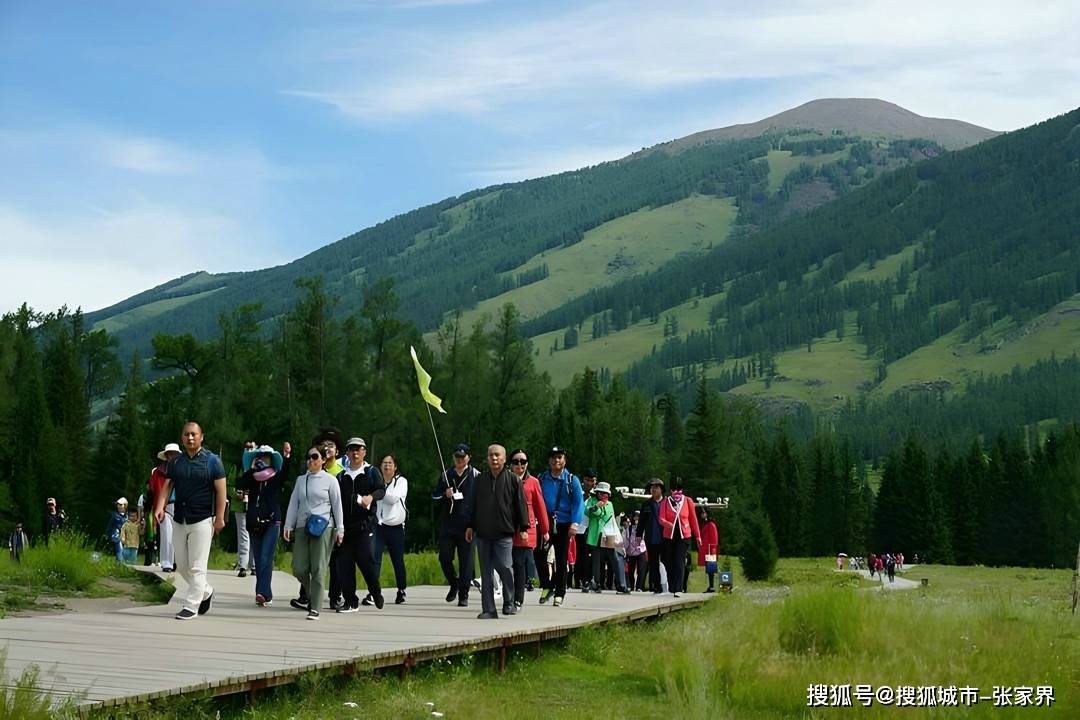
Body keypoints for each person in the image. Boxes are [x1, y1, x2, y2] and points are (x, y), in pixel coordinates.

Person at [153, 421, 228, 621]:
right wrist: (160, 507)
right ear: (182, 437)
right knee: (183, 567)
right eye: (187, 434)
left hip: (203, 519)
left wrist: (219, 517)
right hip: (179, 518)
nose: (190, 438)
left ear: (201, 437)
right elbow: (167, 486)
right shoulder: (176, 462)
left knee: (197, 566)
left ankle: (191, 605)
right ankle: (206, 591)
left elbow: (221, 491)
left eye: (194, 434)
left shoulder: (213, 461)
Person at [466, 444, 528, 619]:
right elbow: (472, 505)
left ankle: (509, 602)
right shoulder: (479, 480)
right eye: (491, 455)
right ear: (487, 458)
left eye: (497, 455)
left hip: (504, 533)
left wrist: (523, 528)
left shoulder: (513, 479)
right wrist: (470, 526)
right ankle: (489, 609)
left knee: (505, 567)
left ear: (504, 458)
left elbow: (520, 505)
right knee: (486, 573)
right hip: (483, 533)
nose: (494, 458)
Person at [283, 445, 344, 620]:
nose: (311, 460)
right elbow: (294, 503)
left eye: (315, 457)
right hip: (303, 526)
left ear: (323, 460)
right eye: (308, 457)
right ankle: (313, 593)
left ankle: (315, 607)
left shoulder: (331, 480)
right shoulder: (301, 480)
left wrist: (340, 529)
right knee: (299, 568)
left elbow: (337, 505)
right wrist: (288, 526)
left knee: (319, 567)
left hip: (324, 527)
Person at [334, 437, 385, 612]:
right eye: (352, 449)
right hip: (346, 526)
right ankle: (351, 601)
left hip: (366, 524)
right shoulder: (341, 476)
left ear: (364, 452)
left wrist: (370, 497)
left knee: (366, 559)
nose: (355, 453)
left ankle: (375, 592)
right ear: (347, 453)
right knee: (345, 563)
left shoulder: (371, 472)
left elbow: (381, 490)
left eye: (359, 449)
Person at [237, 442, 290, 607]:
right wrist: (252, 469)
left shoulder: (276, 477)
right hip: (254, 522)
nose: (263, 460)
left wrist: (287, 456)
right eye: (260, 457)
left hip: (272, 522)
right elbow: (239, 483)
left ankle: (261, 592)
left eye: (266, 458)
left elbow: (286, 474)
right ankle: (265, 593)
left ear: (271, 460)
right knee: (259, 559)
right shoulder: (251, 478)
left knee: (267, 557)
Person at [536, 446, 584, 608]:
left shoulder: (572, 480)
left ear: (564, 460)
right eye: (554, 457)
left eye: (560, 457)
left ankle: (560, 592)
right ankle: (547, 584)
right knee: (539, 553)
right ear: (549, 461)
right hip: (546, 522)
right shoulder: (542, 479)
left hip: (564, 523)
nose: (557, 460)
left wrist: (575, 523)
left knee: (561, 558)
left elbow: (578, 503)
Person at [432, 443, 479, 607]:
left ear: (468, 457)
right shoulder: (446, 475)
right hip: (449, 524)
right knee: (444, 557)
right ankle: (454, 583)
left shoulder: (476, 475)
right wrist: (445, 494)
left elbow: (481, 501)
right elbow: (434, 497)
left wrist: (474, 523)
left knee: (466, 562)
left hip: (467, 525)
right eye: (457, 457)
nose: (460, 460)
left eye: (463, 457)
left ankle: (464, 594)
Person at [508, 448, 549, 612]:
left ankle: (517, 599)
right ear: (510, 464)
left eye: (523, 461)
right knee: (505, 565)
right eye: (516, 461)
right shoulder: (505, 479)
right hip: (506, 527)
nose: (519, 465)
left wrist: (545, 530)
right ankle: (507, 596)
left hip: (526, 530)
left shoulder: (533, 482)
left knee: (519, 565)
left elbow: (540, 506)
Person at [374, 454, 409, 604]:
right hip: (378, 526)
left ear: (395, 467)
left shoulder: (401, 482)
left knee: (397, 560)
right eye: (384, 463)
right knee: (374, 558)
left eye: (390, 463)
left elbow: (393, 498)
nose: (387, 466)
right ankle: (373, 591)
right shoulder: (376, 481)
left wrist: (377, 493)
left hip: (395, 527)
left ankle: (401, 590)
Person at [584, 481, 630, 594]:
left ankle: (621, 585)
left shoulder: (609, 504)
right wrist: (596, 507)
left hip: (609, 536)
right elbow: (587, 511)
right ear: (597, 493)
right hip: (596, 536)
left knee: (616, 559)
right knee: (596, 561)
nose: (603, 495)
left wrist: (599, 508)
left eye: (606, 493)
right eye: (601, 493)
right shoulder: (591, 501)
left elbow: (606, 515)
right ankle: (597, 583)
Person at [658, 479, 701, 598]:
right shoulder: (665, 502)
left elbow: (693, 519)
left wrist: (698, 536)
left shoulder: (687, 501)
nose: (677, 492)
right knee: (667, 560)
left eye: (679, 489)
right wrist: (667, 524)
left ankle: (678, 588)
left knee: (679, 561)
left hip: (683, 536)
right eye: (674, 489)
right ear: (671, 490)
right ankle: (672, 585)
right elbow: (661, 518)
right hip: (669, 535)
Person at [151, 443, 180, 572]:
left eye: (175, 453)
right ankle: (166, 563)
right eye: (170, 453)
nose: (172, 456)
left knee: (179, 536)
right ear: (166, 455)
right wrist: (160, 507)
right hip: (165, 506)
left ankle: (176, 561)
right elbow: (154, 490)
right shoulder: (158, 472)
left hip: (180, 505)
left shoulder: (183, 469)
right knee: (167, 534)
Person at [232, 440, 258, 578]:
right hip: (240, 505)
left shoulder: (261, 465)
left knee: (255, 533)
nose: (248, 450)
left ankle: (254, 565)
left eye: (251, 447)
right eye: (246, 447)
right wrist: (237, 494)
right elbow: (229, 485)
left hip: (255, 505)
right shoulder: (237, 467)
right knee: (242, 535)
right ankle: (243, 565)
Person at [637, 478, 667, 593]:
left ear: (661, 489)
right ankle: (656, 586)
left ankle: (667, 584)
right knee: (653, 563)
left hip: (665, 538)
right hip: (651, 537)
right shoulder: (646, 504)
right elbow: (641, 521)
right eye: (652, 487)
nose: (653, 490)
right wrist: (639, 534)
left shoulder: (667, 502)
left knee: (665, 561)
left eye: (656, 487)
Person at [574, 469, 598, 590]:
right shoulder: (578, 492)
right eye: (587, 480)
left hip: (590, 529)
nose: (590, 483)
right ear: (584, 480)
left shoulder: (597, 496)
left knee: (589, 556)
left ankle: (587, 580)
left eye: (592, 480)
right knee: (578, 556)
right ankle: (577, 579)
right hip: (577, 528)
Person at [624, 510, 647, 591]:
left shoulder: (644, 527)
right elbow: (626, 540)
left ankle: (639, 587)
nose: (636, 518)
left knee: (641, 569)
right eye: (635, 516)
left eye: (638, 517)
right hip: (631, 552)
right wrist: (625, 551)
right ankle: (631, 585)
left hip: (641, 551)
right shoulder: (629, 528)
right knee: (631, 570)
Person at [699, 509, 719, 593]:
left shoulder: (711, 524)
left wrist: (713, 550)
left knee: (711, 569)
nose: (702, 515)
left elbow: (714, 539)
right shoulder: (706, 524)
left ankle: (711, 587)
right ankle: (710, 586)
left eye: (703, 513)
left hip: (710, 550)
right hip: (707, 549)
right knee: (709, 569)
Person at [105, 498, 128, 563]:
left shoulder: (127, 516)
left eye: (121, 505)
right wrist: (107, 534)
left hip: (125, 536)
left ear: (125, 506)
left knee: (125, 550)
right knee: (119, 548)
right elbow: (110, 525)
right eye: (118, 505)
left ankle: (122, 563)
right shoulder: (115, 515)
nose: (119, 506)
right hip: (116, 535)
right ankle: (119, 563)